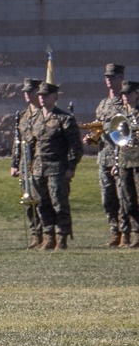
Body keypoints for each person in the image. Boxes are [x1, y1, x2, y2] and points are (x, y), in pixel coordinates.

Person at [26, 80, 83, 250]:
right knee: (42, 203)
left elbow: (75, 146)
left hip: (57, 168)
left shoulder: (64, 119)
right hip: (38, 168)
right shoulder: (35, 119)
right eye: (40, 95)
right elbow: (31, 144)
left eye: (45, 95)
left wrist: (71, 167)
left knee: (59, 202)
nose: (41, 98)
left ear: (55, 97)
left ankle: (62, 236)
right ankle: (48, 235)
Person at [87, 63, 127, 246]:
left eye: (112, 76)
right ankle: (114, 232)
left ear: (121, 78)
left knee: (123, 196)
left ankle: (126, 232)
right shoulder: (103, 104)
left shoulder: (126, 103)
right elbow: (98, 129)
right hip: (105, 156)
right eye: (106, 77)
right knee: (107, 198)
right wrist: (91, 138)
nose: (108, 80)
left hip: (122, 156)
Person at [9, 80, 42, 249]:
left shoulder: (45, 114)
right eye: (25, 91)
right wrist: (14, 163)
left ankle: (49, 234)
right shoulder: (23, 116)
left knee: (43, 200)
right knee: (29, 201)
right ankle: (36, 235)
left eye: (31, 90)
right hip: (25, 165)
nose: (27, 94)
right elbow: (18, 142)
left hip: (42, 164)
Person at [114, 81, 139, 248]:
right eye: (123, 94)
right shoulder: (121, 114)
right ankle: (136, 232)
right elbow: (117, 140)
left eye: (128, 93)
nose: (125, 96)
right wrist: (116, 162)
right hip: (124, 161)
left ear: (136, 93)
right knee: (128, 200)